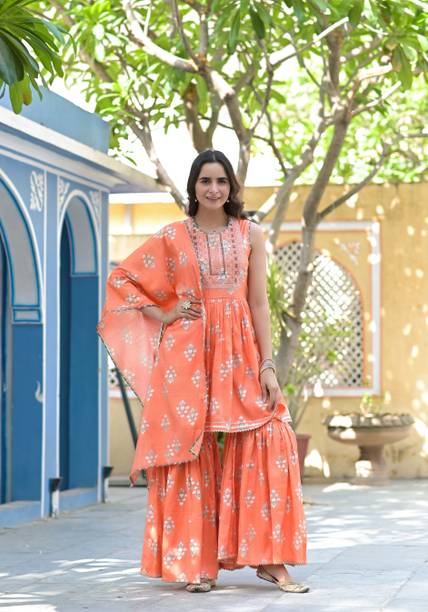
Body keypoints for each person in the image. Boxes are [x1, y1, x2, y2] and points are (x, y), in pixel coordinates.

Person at [97, 149, 308, 593]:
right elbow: (122, 281)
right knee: (191, 451)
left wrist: (267, 364)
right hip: (187, 353)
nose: (214, 189)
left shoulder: (250, 234)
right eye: (205, 180)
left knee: (270, 434)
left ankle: (268, 558)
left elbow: (258, 303)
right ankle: (197, 564)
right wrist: (166, 312)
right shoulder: (173, 236)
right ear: (193, 186)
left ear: (232, 187)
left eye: (221, 181)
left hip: (240, 350)